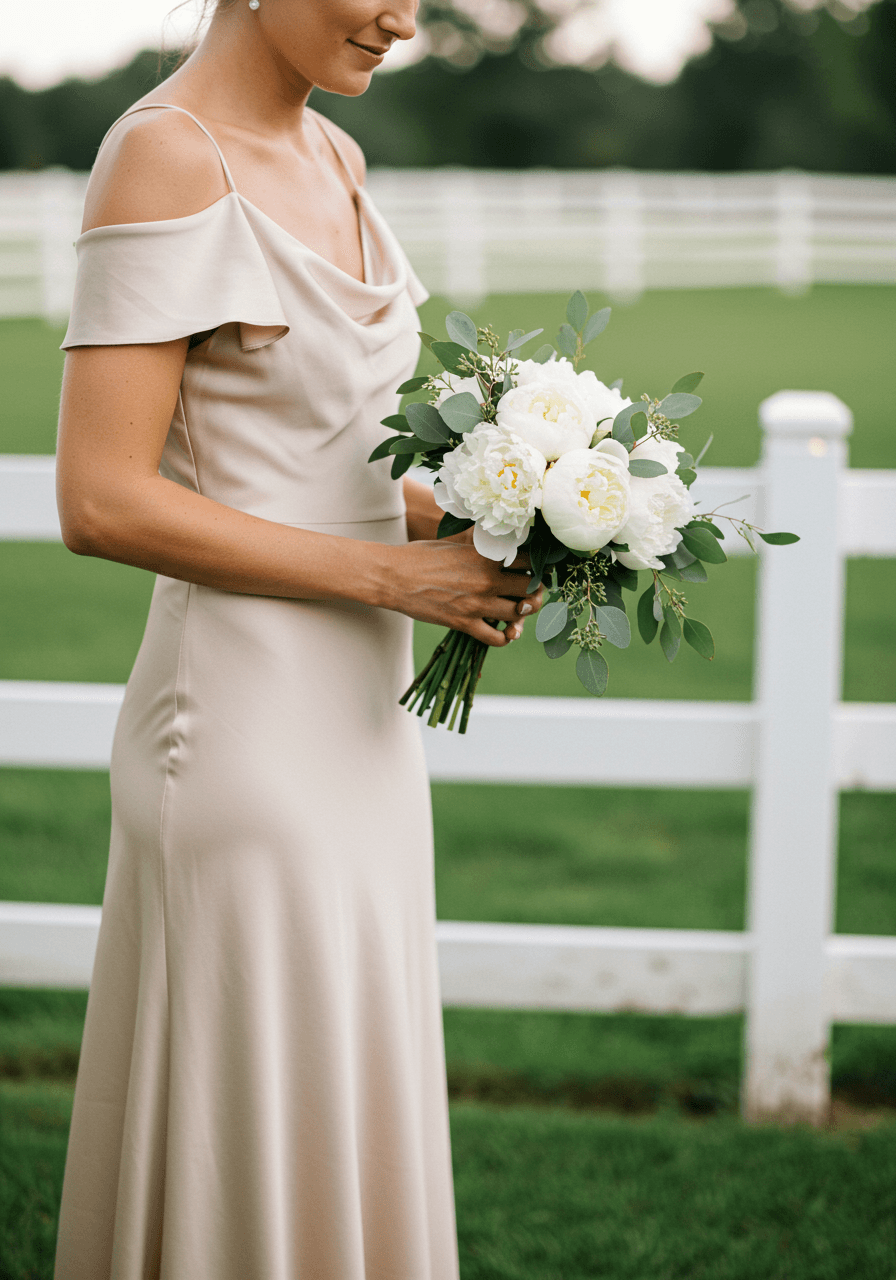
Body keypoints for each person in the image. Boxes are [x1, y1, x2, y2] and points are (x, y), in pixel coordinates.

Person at [52, 1, 544, 1276]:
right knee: (249, 1114)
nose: (403, 18)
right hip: (242, 735)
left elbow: (328, 465)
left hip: (362, 730)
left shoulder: (337, 156)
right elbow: (101, 498)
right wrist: (395, 575)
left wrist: (508, 513)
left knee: (341, 1083)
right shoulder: (165, 153)